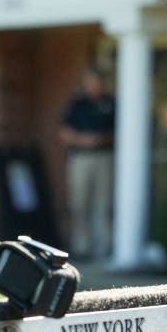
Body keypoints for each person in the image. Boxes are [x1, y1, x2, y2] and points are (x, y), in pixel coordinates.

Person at [58, 68, 115, 261]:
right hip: (80, 159)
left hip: (104, 158)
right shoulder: (77, 104)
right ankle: (82, 246)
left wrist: (100, 140)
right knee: (80, 203)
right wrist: (84, 140)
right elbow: (64, 133)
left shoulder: (111, 103)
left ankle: (106, 245)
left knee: (105, 202)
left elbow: (119, 132)